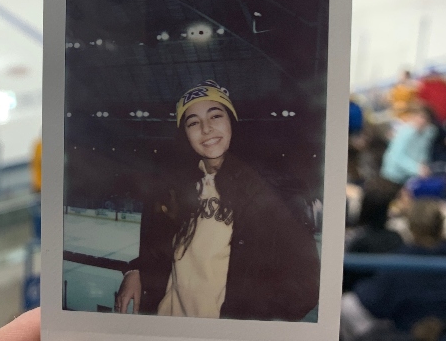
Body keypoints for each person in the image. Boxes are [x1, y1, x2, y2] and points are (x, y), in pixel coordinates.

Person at [114, 81, 320, 320]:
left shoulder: (267, 190)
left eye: (215, 116)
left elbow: (306, 283)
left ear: (231, 121)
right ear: (185, 134)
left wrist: (250, 322)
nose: (206, 128)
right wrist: (137, 268)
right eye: (193, 122)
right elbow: (158, 247)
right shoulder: (175, 189)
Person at [341, 199, 446, 340]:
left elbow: (375, 302)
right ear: (441, 226)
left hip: (406, 333)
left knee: (346, 306)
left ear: (411, 227)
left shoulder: (400, 265)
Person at [380, 105, 438, 184]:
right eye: (419, 117)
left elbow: (424, 150)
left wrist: (423, 164)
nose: (422, 121)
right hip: (394, 175)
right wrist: (416, 168)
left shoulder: (429, 132)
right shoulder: (405, 132)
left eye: (425, 118)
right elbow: (397, 156)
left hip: (412, 176)